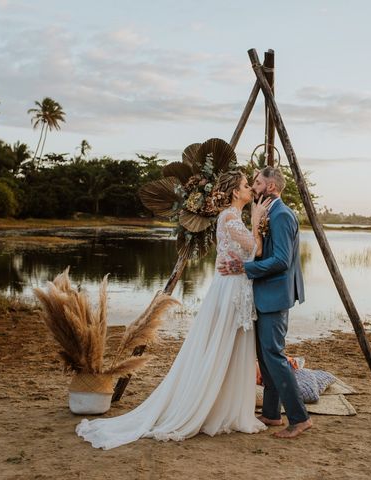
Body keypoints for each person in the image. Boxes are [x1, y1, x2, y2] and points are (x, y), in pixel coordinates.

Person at [76, 171, 271, 449]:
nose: (250, 188)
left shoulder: (231, 217)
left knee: (233, 347)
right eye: (244, 186)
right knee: (220, 346)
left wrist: (252, 224)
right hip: (229, 291)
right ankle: (208, 408)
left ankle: (227, 408)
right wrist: (256, 223)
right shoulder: (229, 217)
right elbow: (257, 250)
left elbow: (248, 254)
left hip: (235, 288)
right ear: (233, 193)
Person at [218, 166, 312, 439]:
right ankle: (271, 413)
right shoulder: (268, 213)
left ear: (270, 187)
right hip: (262, 294)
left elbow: (282, 260)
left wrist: (245, 269)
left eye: (257, 182)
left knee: (274, 356)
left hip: (274, 295)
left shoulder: (281, 215)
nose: (253, 186)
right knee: (265, 356)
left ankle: (299, 418)